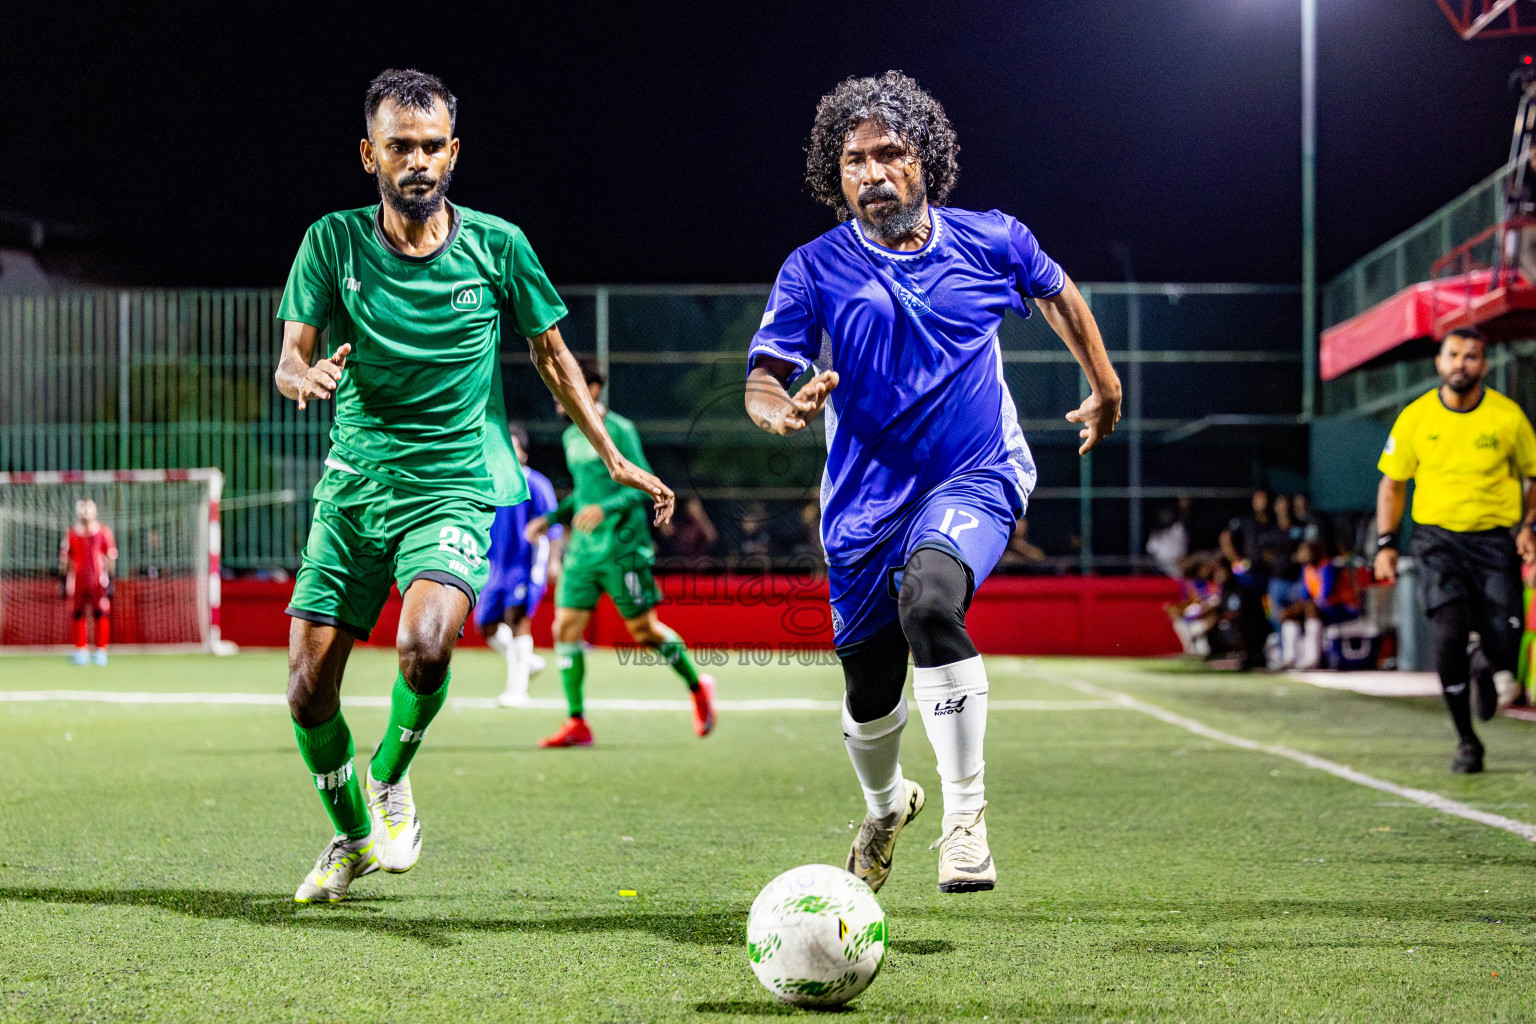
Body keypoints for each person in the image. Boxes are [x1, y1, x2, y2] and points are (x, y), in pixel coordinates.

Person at [272, 70, 674, 903]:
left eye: (430, 146)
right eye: (399, 147)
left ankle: (388, 780)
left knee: (425, 646)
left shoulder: (498, 245)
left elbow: (555, 358)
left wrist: (613, 454)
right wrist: (300, 375)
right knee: (308, 691)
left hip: (452, 485)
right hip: (352, 489)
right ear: (369, 154)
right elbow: (290, 355)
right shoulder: (331, 242)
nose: (416, 161)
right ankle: (351, 836)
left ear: (452, 151)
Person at [744, 72, 1120, 894]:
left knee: (930, 602)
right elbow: (764, 375)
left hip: (975, 475)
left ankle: (964, 821)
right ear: (832, 174)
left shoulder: (992, 241)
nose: (872, 173)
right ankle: (885, 808)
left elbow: (1058, 294)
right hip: (860, 508)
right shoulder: (812, 270)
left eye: (890, 154)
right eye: (853, 160)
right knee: (869, 690)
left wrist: (1105, 383)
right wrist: (776, 410)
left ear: (926, 161)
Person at [526, 355, 716, 748]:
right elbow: (586, 490)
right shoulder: (570, 435)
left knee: (643, 631)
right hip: (583, 552)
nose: (557, 395)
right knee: (564, 628)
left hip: (622, 549)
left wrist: (605, 508)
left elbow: (641, 482)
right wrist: (553, 517)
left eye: (565, 383)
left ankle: (698, 687)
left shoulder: (620, 430)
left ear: (591, 388)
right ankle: (577, 721)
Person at [1374, 326, 1536, 773]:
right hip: (1437, 541)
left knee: (1506, 638)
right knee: (1447, 633)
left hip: (1494, 541)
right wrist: (1386, 543)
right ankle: (1467, 741)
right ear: (1439, 362)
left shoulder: (1507, 418)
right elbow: (1392, 484)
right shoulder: (1416, 417)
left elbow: (1533, 475)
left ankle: (1485, 662)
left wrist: (1528, 527)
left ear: (1484, 366)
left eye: (1471, 356)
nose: (1461, 363)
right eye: (1453, 354)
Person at [477, 422, 561, 707]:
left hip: (525, 565)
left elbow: (553, 528)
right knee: (485, 624)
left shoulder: (536, 484)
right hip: (494, 567)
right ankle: (529, 663)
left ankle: (518, 689)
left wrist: (552, 563)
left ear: (524, 452)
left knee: (517, 620)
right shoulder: (492, 483)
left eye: (514, 447)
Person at [1275, 539, 1360, 670]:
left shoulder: (1328, 567)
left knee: (1310, 610)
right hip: (1323, 610)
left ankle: (1312, 659)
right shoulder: (1307, 570)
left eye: (1305, 551)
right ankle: (1290, 658)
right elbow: (1304, 596)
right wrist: (1295, 610)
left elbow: (1324, 596)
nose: (1302, 554)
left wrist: (1303, 607)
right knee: (1290, 615)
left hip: (1343, 608)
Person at [59, 498, 116, 666]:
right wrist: (62, 581)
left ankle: (101, 651)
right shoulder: (71, 533)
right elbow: (65, 560)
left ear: (95, 511)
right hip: (77, 580)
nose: (85, 512)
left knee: (101, 612)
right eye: (82, 509)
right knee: (78, 613)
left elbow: (110, 557)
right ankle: (81, 650)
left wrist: (111, 580)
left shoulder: (104, 532)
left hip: (98, 580)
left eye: (88, 508)